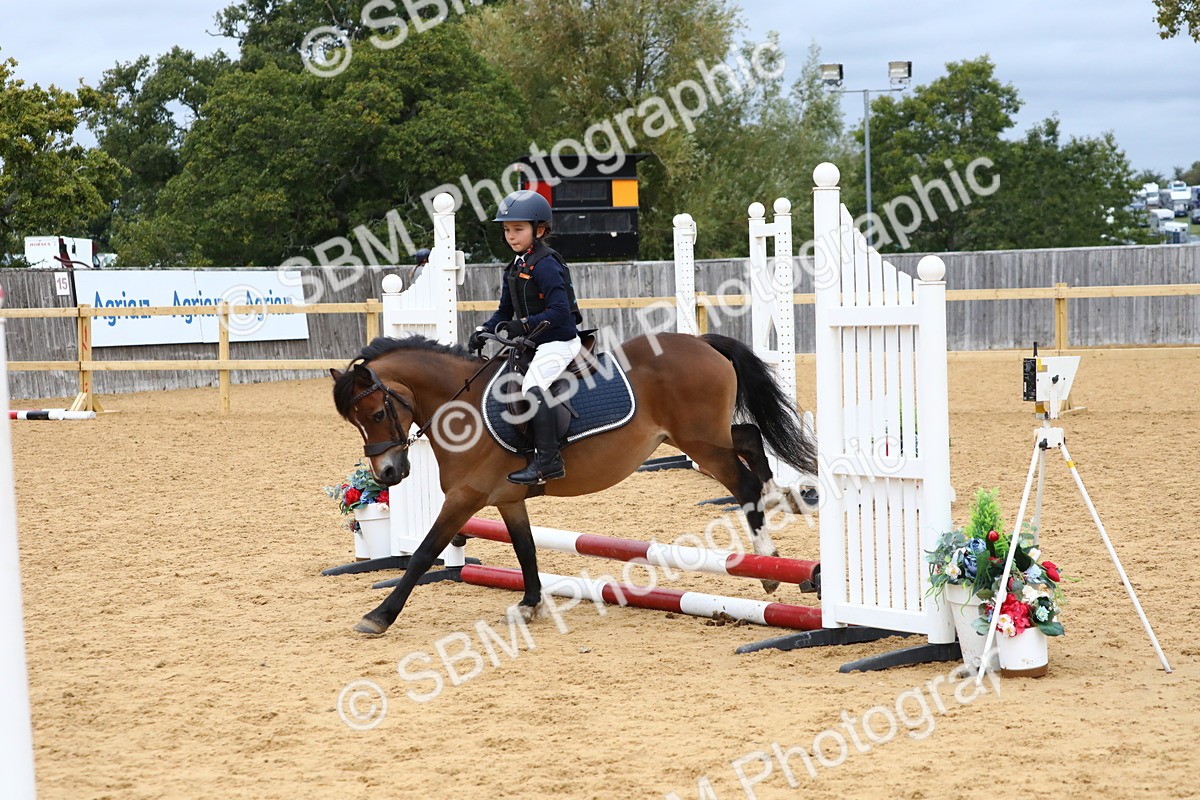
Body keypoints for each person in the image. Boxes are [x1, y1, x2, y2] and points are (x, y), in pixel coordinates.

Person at [468, 190, 583, 485]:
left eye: (518, 229)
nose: (510, 236)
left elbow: (560, 311)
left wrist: (524, 325)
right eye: (507, 230)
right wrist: (485, 330)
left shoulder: (546, 264)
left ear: (539, 230)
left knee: (532, 388)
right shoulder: (516, 265)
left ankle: (548, 463)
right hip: (534, 342)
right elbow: (504, 312)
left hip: (558, 341)